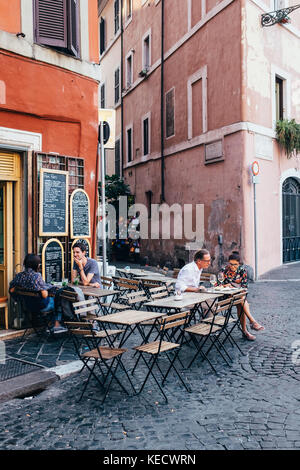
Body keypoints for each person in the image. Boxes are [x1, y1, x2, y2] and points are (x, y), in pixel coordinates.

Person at [9, 254, 67, 333]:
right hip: (40, 307)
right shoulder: (36, 276)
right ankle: (56, 324)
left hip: (27, 306)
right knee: (58, 298)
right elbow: (44, 295)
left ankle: (50, 323)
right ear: (37, 265)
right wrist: (47, 288)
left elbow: (12, 290)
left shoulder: (19, 276)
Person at [218, 251, 265, 341]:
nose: (232, 266)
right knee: (242, 300)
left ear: (239, 264)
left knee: (241, 301)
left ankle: (246, 330)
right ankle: (251, 323)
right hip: (225, 297)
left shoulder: (243, 271)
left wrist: (233, 287)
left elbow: (245, 288)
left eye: (235, 264)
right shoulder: (224, 270)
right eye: (231, 264)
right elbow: (217, 285)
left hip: (238, 297)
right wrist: (225, 286)